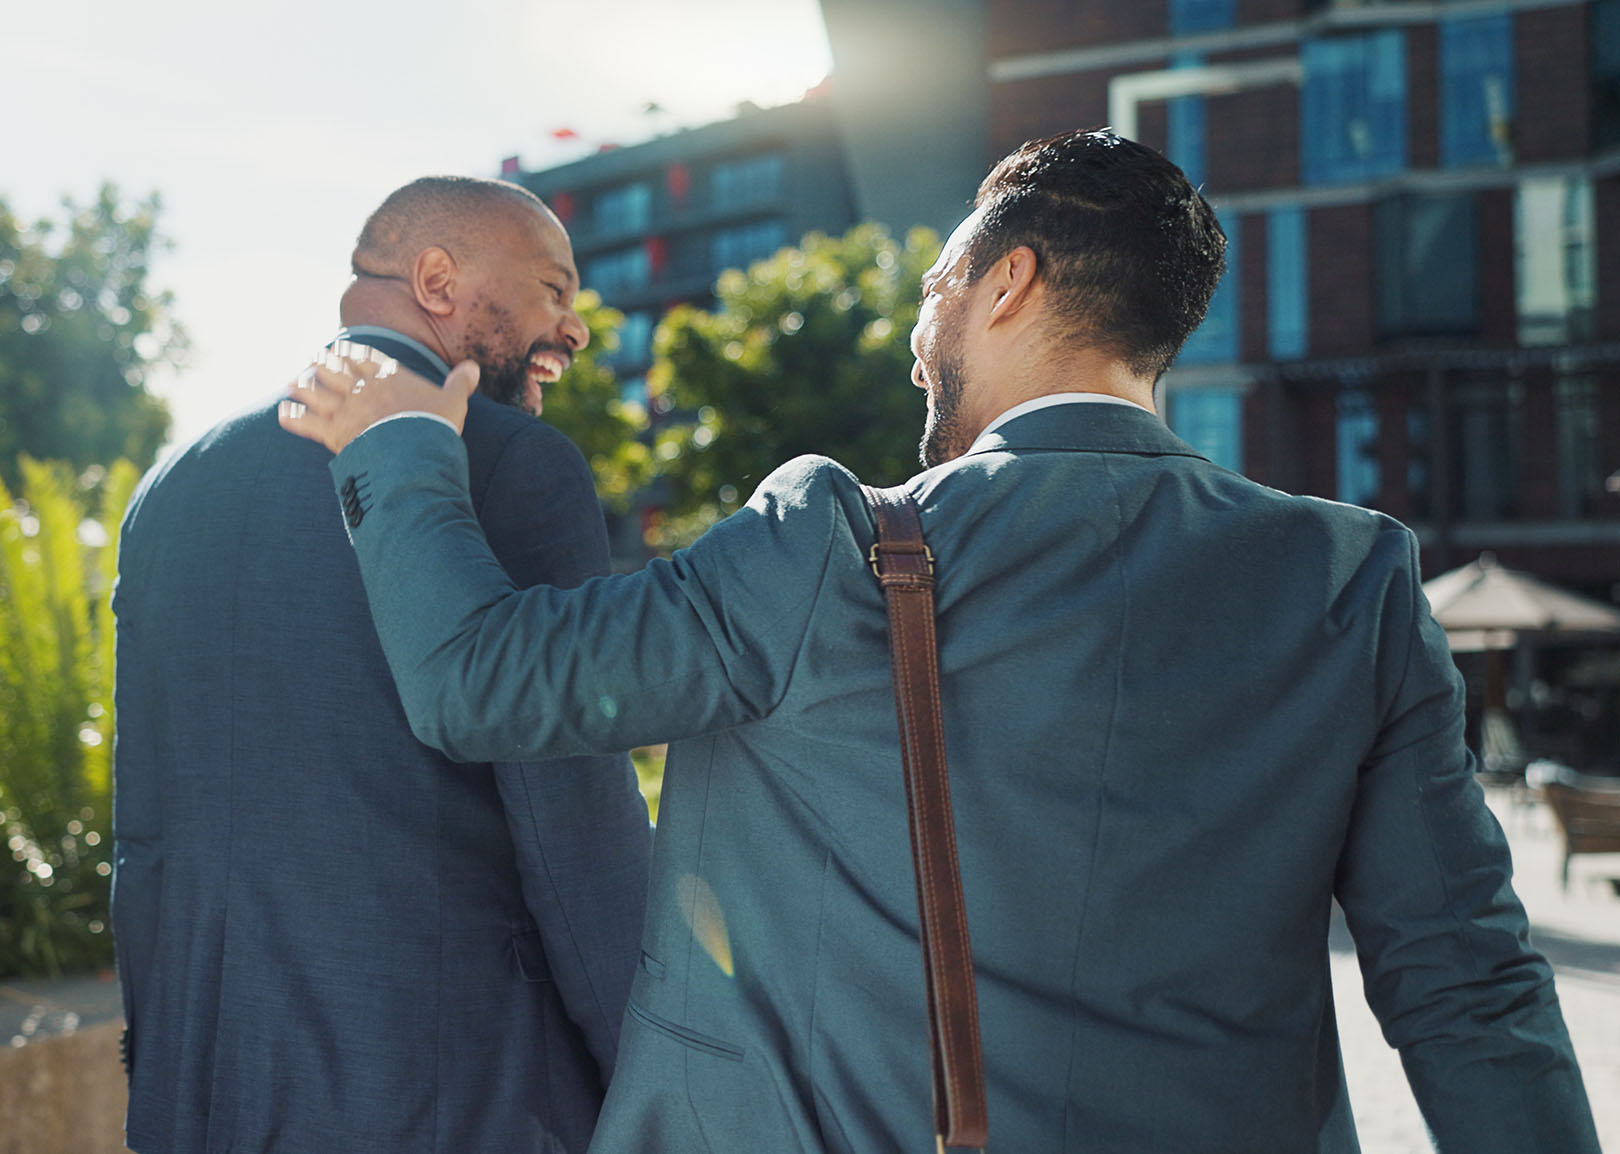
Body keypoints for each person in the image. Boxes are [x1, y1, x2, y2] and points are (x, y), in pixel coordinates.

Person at [279, 133, 1599, 1152]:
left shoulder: (826, 543)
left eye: (934, 291)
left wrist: (402, 445)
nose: (920, 341)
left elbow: (480, 681)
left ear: (1005, 281)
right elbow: (1467, 985)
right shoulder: (1346, 577)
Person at [112, 176, 652, 1154]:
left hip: (204, 1096)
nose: (573, 327)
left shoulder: (172, 486)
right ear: (438, 281)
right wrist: (661, 1076)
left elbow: (144, 835)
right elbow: (579, 840)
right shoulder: (515, 463)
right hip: (459, 1097)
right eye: (552, 289)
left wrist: (168, 1074)